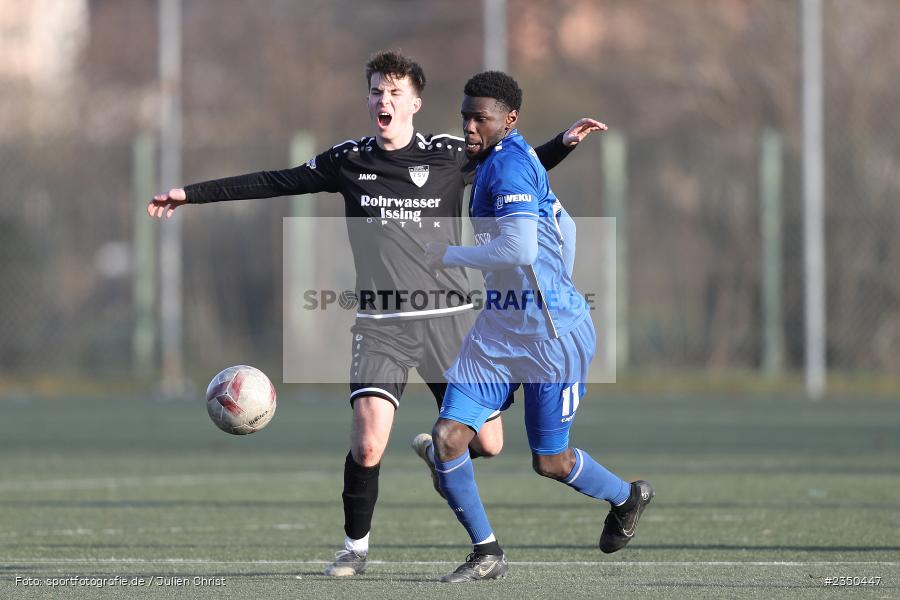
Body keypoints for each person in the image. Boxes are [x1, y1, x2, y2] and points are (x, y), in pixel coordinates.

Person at [147, 51, 605, 577]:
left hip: (451, 317)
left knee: (490, 443)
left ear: (414, 102)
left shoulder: (453, 153)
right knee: (367, 443)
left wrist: (561, 146)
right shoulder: (349, 160)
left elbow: (514, 172)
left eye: (392, 92)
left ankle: (440, 456)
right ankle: (354, 549)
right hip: (382, 324)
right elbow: (276, 180)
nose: (381, 101)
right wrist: (190, 195)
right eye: (374, 91)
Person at [421, 71, 654, 583]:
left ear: (509, 120)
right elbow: (562, 226)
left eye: (478, 118)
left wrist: (449, 255)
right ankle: (487, 552)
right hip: (498, 333)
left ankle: (627, 496)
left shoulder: (506, 168)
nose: (468, 126)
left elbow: (521, 249)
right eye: (465, 115)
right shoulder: (505, 158)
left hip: (553, 339)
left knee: (549, 462)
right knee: (448, 436)